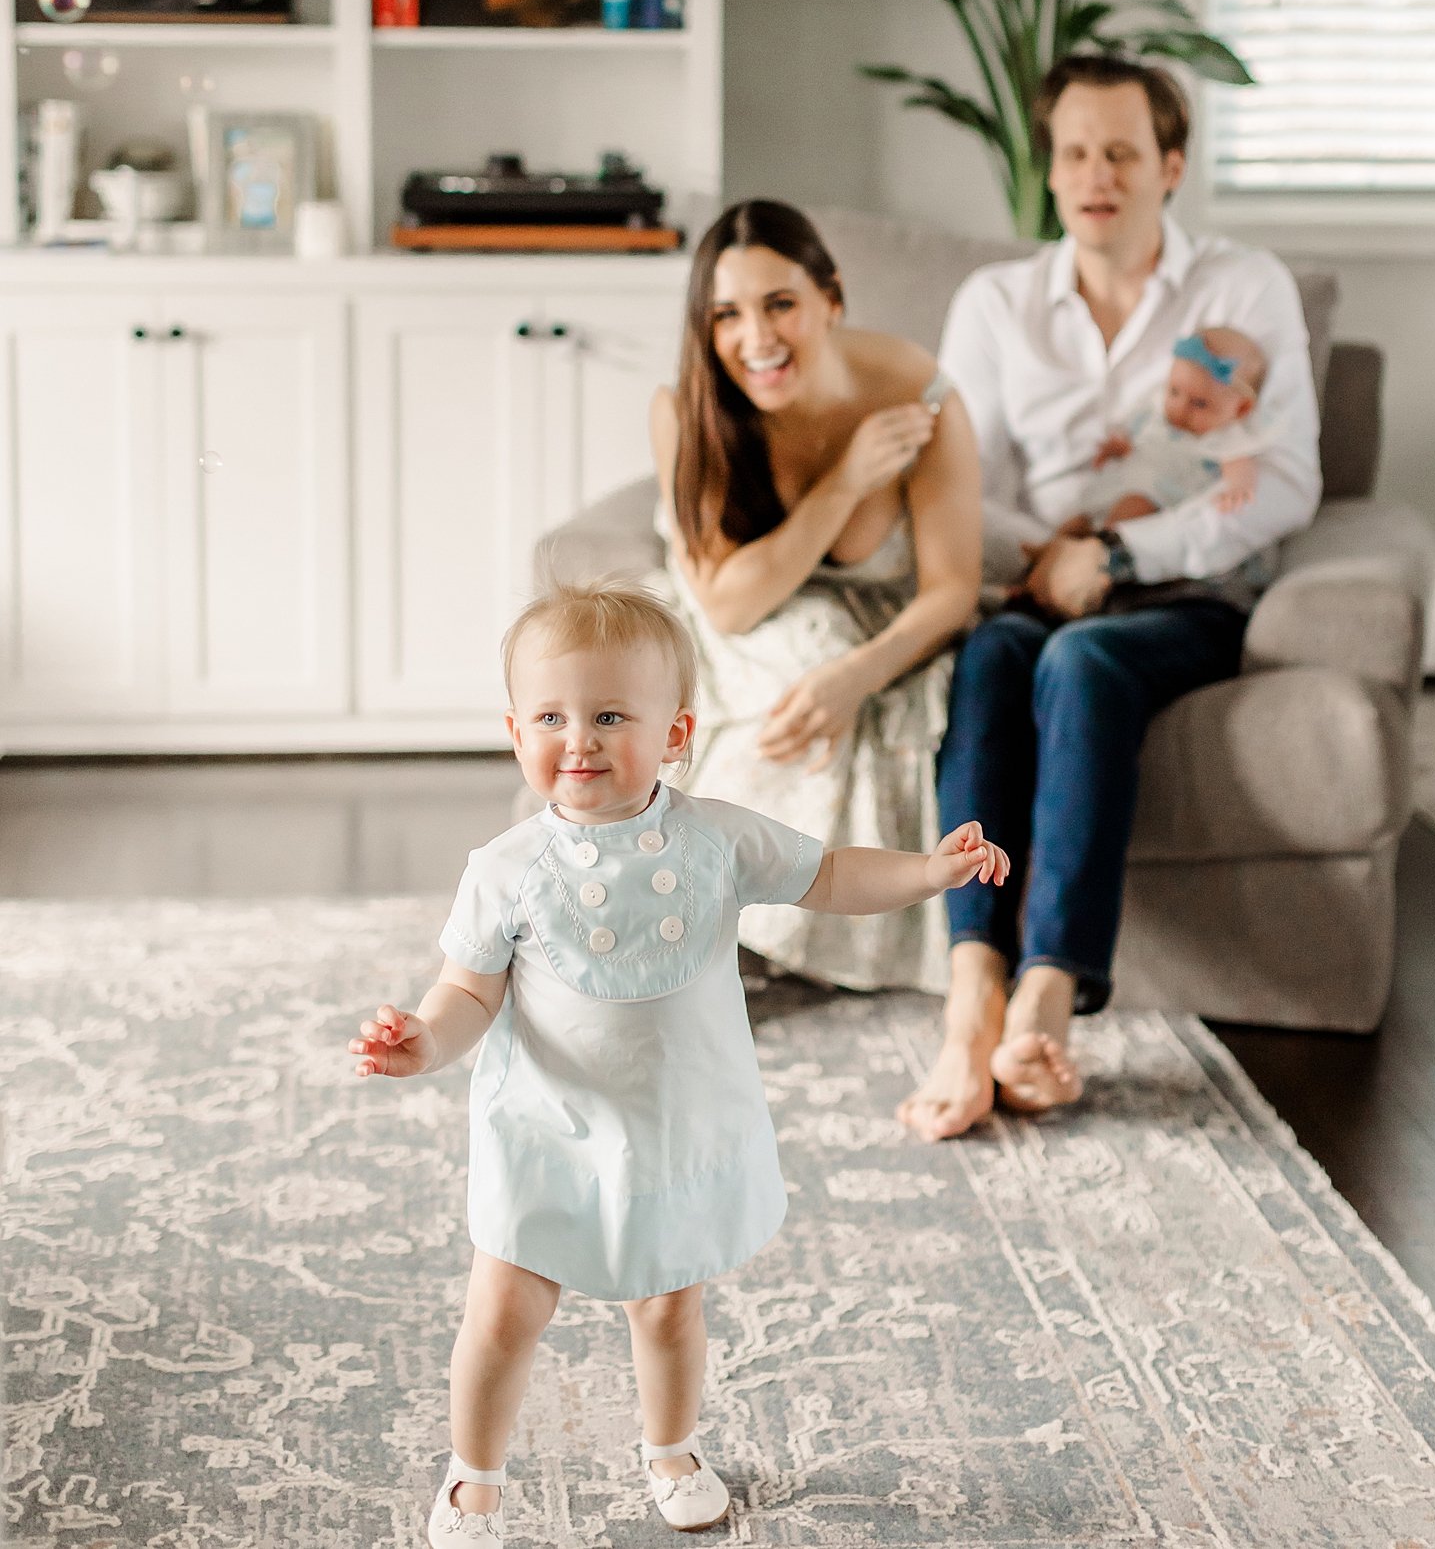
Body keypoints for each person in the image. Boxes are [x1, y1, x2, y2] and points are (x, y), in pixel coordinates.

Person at [349, 580, 1005, 1543]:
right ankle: (474, 1477)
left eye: (610, 715)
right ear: (514, 731)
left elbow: (828, 875)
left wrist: (929, 871)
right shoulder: (504, 868)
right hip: (547, 1126)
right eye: (551, 716)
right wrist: (423, 1042)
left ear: (675, 733)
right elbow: (467, 994)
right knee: (503, 1311)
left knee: (666, 1309)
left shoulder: (719, 839)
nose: (579, 739)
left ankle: (671, 1448)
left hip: (673, 1124)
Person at [896, 55, 1322, 1143]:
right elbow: (954, 484)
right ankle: (972, 991)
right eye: (1075, 152)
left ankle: (1049, 992)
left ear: (1170, 166)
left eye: (1123, 151)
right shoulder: (995, 303)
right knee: (995, 658)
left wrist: (1117, 556)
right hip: (1033, 580)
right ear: (1050, 171)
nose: (1097, 174)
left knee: (1080, 661)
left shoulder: (1242, 288)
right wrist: (1053, 555)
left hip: (1189, 590)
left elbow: (1283, 479)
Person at [648, 199, 982, 993]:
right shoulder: (686, 408)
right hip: (730, 614)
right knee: (795, 660)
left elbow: (954, 589)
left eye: (781, 305)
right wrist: (845, 484)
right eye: (726, 315)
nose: (756, 339)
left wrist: (855, 680)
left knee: (829, 667)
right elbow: (727, 604)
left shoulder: (918, 392)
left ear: (831, 298)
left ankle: (764, 942)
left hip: (875, 627)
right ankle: (673, 915)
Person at [1062, 325, 1272, 533]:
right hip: (1123, 482)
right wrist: (1120, 448)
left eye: (1199, 404)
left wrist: (1238, 488)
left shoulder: (1223, 436)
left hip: (1159, 496)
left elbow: (1239, 463)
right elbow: (1138, 442)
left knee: (1133, 506)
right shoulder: (1155, 414)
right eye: (1174, 391)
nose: (1181, 408)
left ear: (1241, 409)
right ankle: (1050, 550)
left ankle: (1096, 550)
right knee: (1081, 516)